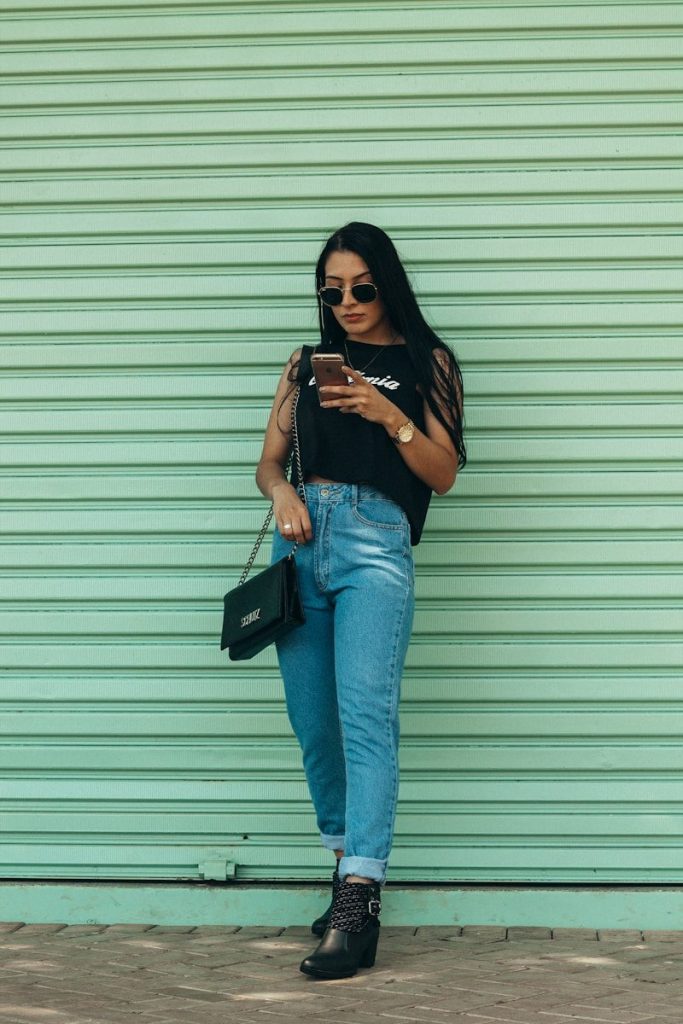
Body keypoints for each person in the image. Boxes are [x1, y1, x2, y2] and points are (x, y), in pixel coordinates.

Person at [255, 221, 466, 979]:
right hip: (299, 542)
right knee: (314, 726)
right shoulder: (302, 366)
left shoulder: (426, 363)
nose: (346, 301)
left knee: (366, 722)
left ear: (387, 284)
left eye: (362, 287)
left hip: (375, 544)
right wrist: (280, 494)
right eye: (332, 289)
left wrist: (388, 415)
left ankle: (357, 905)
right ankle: (345, 867)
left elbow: (441, 474)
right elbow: (268, 462)